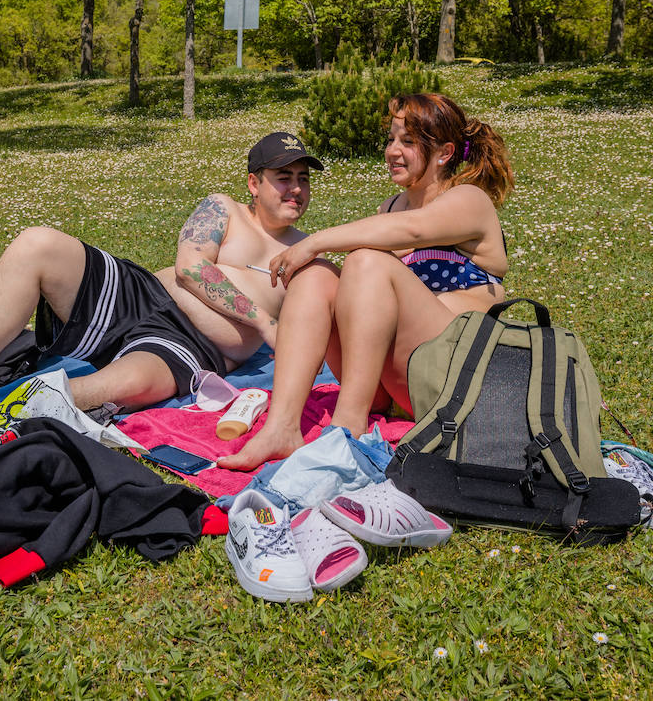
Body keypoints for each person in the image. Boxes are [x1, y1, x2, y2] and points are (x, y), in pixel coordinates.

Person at [0, 132, 324, 450]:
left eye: (303, 179)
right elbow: (189, 269)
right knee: (37, 244)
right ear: (254, 182)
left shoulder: (307, 253)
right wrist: (265, 322)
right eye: (284, 177)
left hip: (187, 348)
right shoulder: (222, 208)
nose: (296, 189)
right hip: (140, 294)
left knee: (121, 385)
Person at [218, 93, 512, 470]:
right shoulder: (390, 207)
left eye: (408, 142)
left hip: (453, 382)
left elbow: (412, 230)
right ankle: (282, 428)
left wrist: (312, 242)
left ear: (444, 152)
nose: (393, 151)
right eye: (391, 139)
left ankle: (348, 427)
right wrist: (315, 256)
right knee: (315, 276)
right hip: (392, 384)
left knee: (365, 261)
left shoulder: (469, 199)